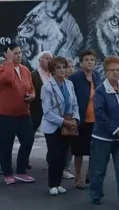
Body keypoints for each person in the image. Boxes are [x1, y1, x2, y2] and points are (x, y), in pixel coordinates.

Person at [89, 55, 119, 208]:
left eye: (118, 70)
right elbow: (100, 114)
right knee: (99, 169)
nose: (116, 73)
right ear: (105, 72)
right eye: (112, 70)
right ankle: (95, 195)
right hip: (103, 138)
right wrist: (116, 130)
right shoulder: (101, 91)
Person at [0, 45, 36, 184]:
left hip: (23, 113)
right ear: (6, 54)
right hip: (5, 114)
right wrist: (9, 62)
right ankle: (7, 172)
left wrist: (32, 96)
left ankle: (21, 171)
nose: (18, 55)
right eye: (14, 53)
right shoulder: (1, 69)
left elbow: (31, 87)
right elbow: (8, 79)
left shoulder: (25, 70)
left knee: (28, 140)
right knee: (6, 144)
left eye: (19, 53)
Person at [40, 56, 79, 195]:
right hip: (52, 126)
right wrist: (64, 121)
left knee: (63, 155)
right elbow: (47, 112)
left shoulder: (69, 84)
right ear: (52, 71)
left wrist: (75, 119)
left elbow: (75, 104)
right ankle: (52, 185)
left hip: (67, 125)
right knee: (55, 155)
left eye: (64, 67)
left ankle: (58, 184)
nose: (62, 70)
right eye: (58, 68)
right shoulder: (47, 87)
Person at [70, 50, 102, 189]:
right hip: (80, 120)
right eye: (87, 60)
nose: (90, 62)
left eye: (92, 60)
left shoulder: (97, 76)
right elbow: (71, 99)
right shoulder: (75, 78)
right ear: (81, 62)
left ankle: (90, 174)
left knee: (94, 150)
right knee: (79, 151)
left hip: (95, 121)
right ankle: (78, 177)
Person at [30, 51, 54, 133]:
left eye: (51, 58)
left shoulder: (54, 75)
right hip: (37, 111)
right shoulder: (33, 75)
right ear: (40, 60)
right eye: (47, 58)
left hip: (52, 112)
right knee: (30, 137)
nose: (49, 60)